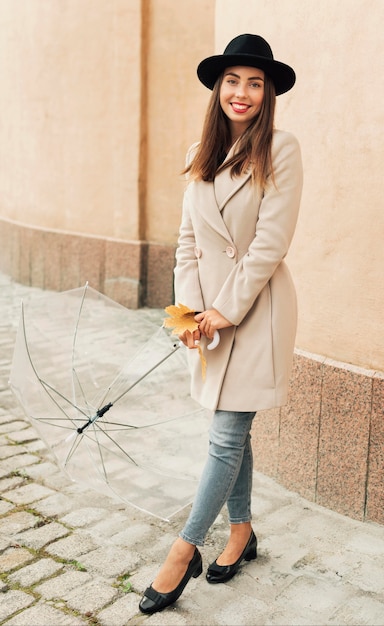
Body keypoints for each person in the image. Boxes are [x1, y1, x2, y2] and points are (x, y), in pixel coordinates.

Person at [139, 33, 303, 615]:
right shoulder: (200, 153)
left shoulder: (281, 149)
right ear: (218, 87)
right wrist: (187, 314)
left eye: (255, 83)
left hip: (254, 313)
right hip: (205, 319)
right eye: (233, 80)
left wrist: (222, 312)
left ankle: (182, 552)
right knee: (232, 433)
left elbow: (268, 245)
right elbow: (187, 244)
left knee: (226, 436)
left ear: (267, 93)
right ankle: (242, 531)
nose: (243, 92)